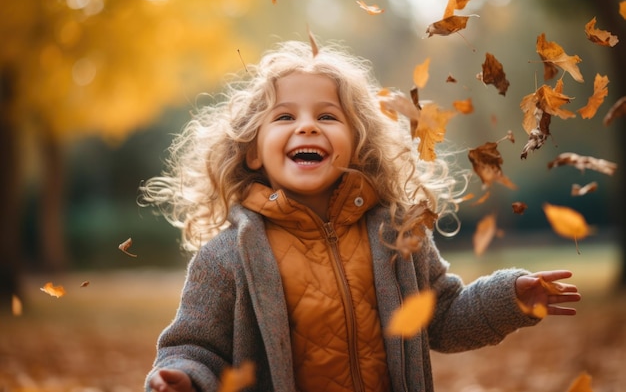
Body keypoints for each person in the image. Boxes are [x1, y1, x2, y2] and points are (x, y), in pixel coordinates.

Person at [140, 39, 581, 392]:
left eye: (327, 116)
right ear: (254, 151)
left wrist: (510, 298)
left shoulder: (396, 234)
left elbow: (443, 316)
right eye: (285, 116)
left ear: (358, 141)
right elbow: (195, 347)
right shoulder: (228, 256)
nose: (307, 126)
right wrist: (184, 377)